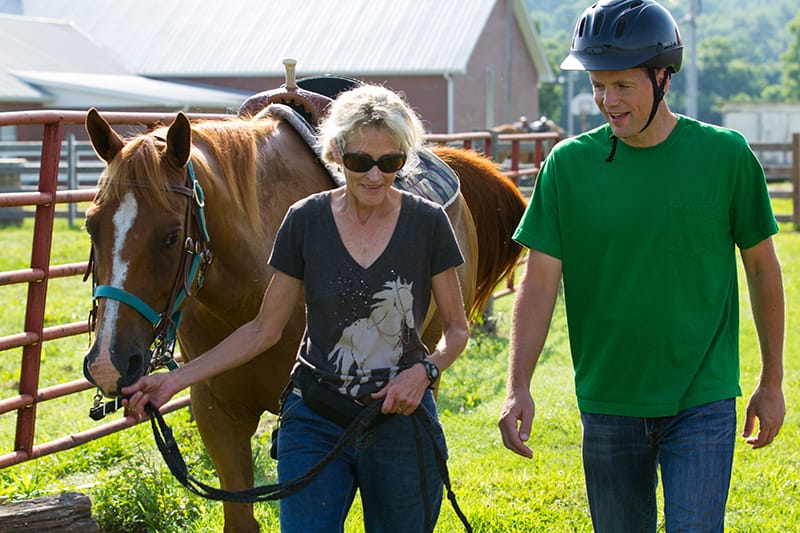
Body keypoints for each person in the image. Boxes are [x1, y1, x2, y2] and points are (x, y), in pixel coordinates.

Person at [123, 84, 470, 532]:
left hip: (399, 422)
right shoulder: (305, 220)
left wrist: (426, 371)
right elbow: (263, 329)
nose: (374, 176)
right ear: (337, 154)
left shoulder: (428, 223)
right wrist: (173, 379)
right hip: (314, 419)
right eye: (360, 161)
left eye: (390, 163)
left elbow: (457, 330)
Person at [497, 1, 785, 532]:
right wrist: (519, 384)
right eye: (598, 85)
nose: (608, 101)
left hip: (702, 398)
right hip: (608, 401)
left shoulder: (725, 156)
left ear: (663, 77)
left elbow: (764, 269)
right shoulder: (568, 166)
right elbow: (538, 284)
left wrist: (772, 378)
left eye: (622, 85)